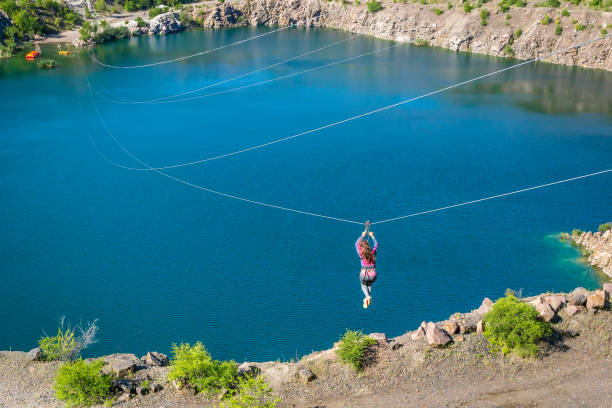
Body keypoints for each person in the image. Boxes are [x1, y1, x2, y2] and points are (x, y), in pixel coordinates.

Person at [356, 227, 378, 309]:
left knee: (363, 285)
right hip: (373, 274)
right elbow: (376, 245)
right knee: (369, 283)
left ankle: (368, 296)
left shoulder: (361, 254)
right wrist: (372, 236)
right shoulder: (373, 253)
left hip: (364, 274)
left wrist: (362, 235)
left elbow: (357, 244)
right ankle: (367, 297)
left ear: (362, 248)